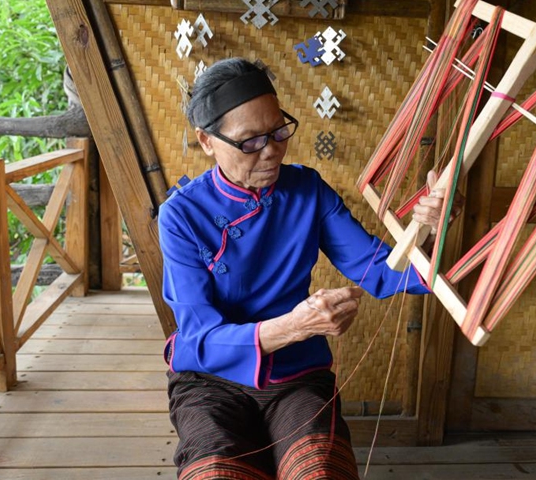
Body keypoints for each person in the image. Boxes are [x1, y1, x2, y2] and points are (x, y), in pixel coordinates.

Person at [158, 58, 447, 480]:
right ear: (206, 141)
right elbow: (200, 338)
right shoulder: (181, 214)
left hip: (295, 376)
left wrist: (430, 232)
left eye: (278, 131)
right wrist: (295, 326)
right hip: (209, 381)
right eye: (250, 141)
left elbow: (379, 269)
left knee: (320, 470)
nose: (272, 149)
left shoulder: (307, 189)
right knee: (216, 471)